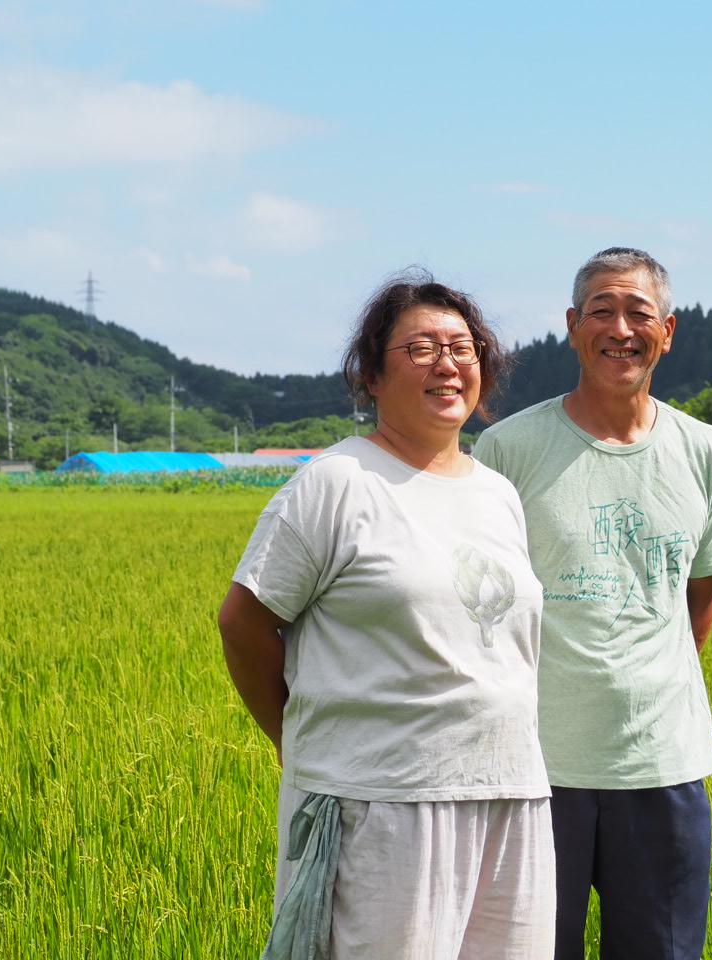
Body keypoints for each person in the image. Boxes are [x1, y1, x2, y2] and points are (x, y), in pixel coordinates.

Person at [218, 272, 555, 960]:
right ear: (371, 375)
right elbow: (244, 621)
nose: (447, 364)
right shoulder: (338, 482)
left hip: (510, 791)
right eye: (421, 349)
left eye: (462, 348)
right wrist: (295, 738)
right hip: (383, 800)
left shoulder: (498, 494)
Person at [473, 247, 712, 960]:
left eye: (638, 313)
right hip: (533, 766)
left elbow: (700, 593)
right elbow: (478, 601)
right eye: (602, 311)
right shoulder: (507, 449)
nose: (620, 329)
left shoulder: (706, 452)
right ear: (572, 326)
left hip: (663, 763)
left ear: (668, 331)